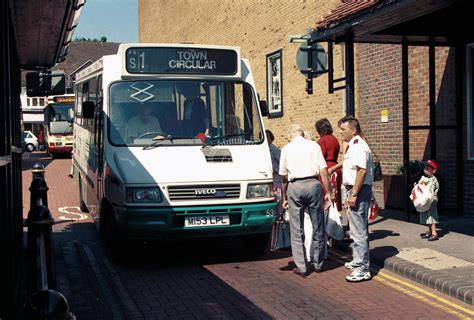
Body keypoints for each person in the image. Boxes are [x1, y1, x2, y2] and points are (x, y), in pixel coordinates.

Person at [279, 124, 332, 278]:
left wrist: (284, 197)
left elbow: (283, 176)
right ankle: (318, 263)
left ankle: (302, 266)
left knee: (297, 228)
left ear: (291, 135)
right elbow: (323, 170)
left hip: (295, 186)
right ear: (302, 133)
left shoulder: (286, 149)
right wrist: (328, 191)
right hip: (313, 184)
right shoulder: (314, 145)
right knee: (318, 225)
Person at [338, 115, 374, 282]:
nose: (340, 132)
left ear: (353, 130)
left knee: (358, 231)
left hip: (357, 191)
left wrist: (353, 194)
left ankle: (362, 268)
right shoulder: (353, 144)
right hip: (354, 190)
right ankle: (359, 261)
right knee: (358, 228)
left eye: (343, 129)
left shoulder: (359, 146)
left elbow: (361, 171)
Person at [315, 118, 342, 211]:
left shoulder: (322, 141)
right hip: (336, 167)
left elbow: (320, 156)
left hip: (327, 168)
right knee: (336, 193)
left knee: (327, 193)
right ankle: (337, 215)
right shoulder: (335, 139)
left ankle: (328, 218)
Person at [417, 159, 440, 241]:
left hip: (431, 200)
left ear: (433, 170)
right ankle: (430, 232)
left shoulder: (433, 179)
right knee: (427, 217)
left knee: (431, 217)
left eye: (427, 168)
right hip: (426, 200)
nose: (425, 170)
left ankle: (434, 233)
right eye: (425, 168)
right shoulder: (426, 178)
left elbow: (430, 188)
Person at [265, 130, 282, 213]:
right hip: (269, 179)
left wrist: (274, 170)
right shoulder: (264, 149)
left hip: (276, 179)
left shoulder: (274, 150)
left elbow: (281, 165)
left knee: (278, 200)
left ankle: (279, 219)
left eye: (267, 137)